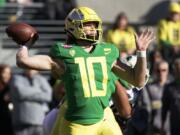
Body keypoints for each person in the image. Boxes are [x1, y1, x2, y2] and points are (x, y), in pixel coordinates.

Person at [15, 7, 154, 135]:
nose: (93, 28)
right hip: (78, 122)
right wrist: (25, 45)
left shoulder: (107, 51)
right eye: (88, 24)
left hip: (104, 116)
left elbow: (138, 80)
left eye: (95, 24)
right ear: (73, 26)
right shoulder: (64, 53)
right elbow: (23, 61)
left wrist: (141, 52)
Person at [10, 69, 52, 135]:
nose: (30, 70)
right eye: (28, 67)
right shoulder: (17, 78)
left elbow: (48, 96)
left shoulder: (41, 79)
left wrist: (27, 93)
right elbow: (20, 92)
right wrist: (39, 90)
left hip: (39, 121)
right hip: (22, 122)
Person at [146, 60, 170, 135]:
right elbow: (145, 107)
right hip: (155, 129)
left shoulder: (173, 89)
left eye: (164, 70)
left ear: (167, 71)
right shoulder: (149, 88)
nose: (161, 73)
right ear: (155, 71)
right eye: (158, 70)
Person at [161, 58, 180, 135]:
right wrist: (162, 125)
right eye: (177, 69)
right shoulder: (169, 87)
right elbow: (164, 108)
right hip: (175, 127)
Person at [0, 64, 14, 135]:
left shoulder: (11, 87)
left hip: (9, 121)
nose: (7, 75)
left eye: (9, 73)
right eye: (4, 73)